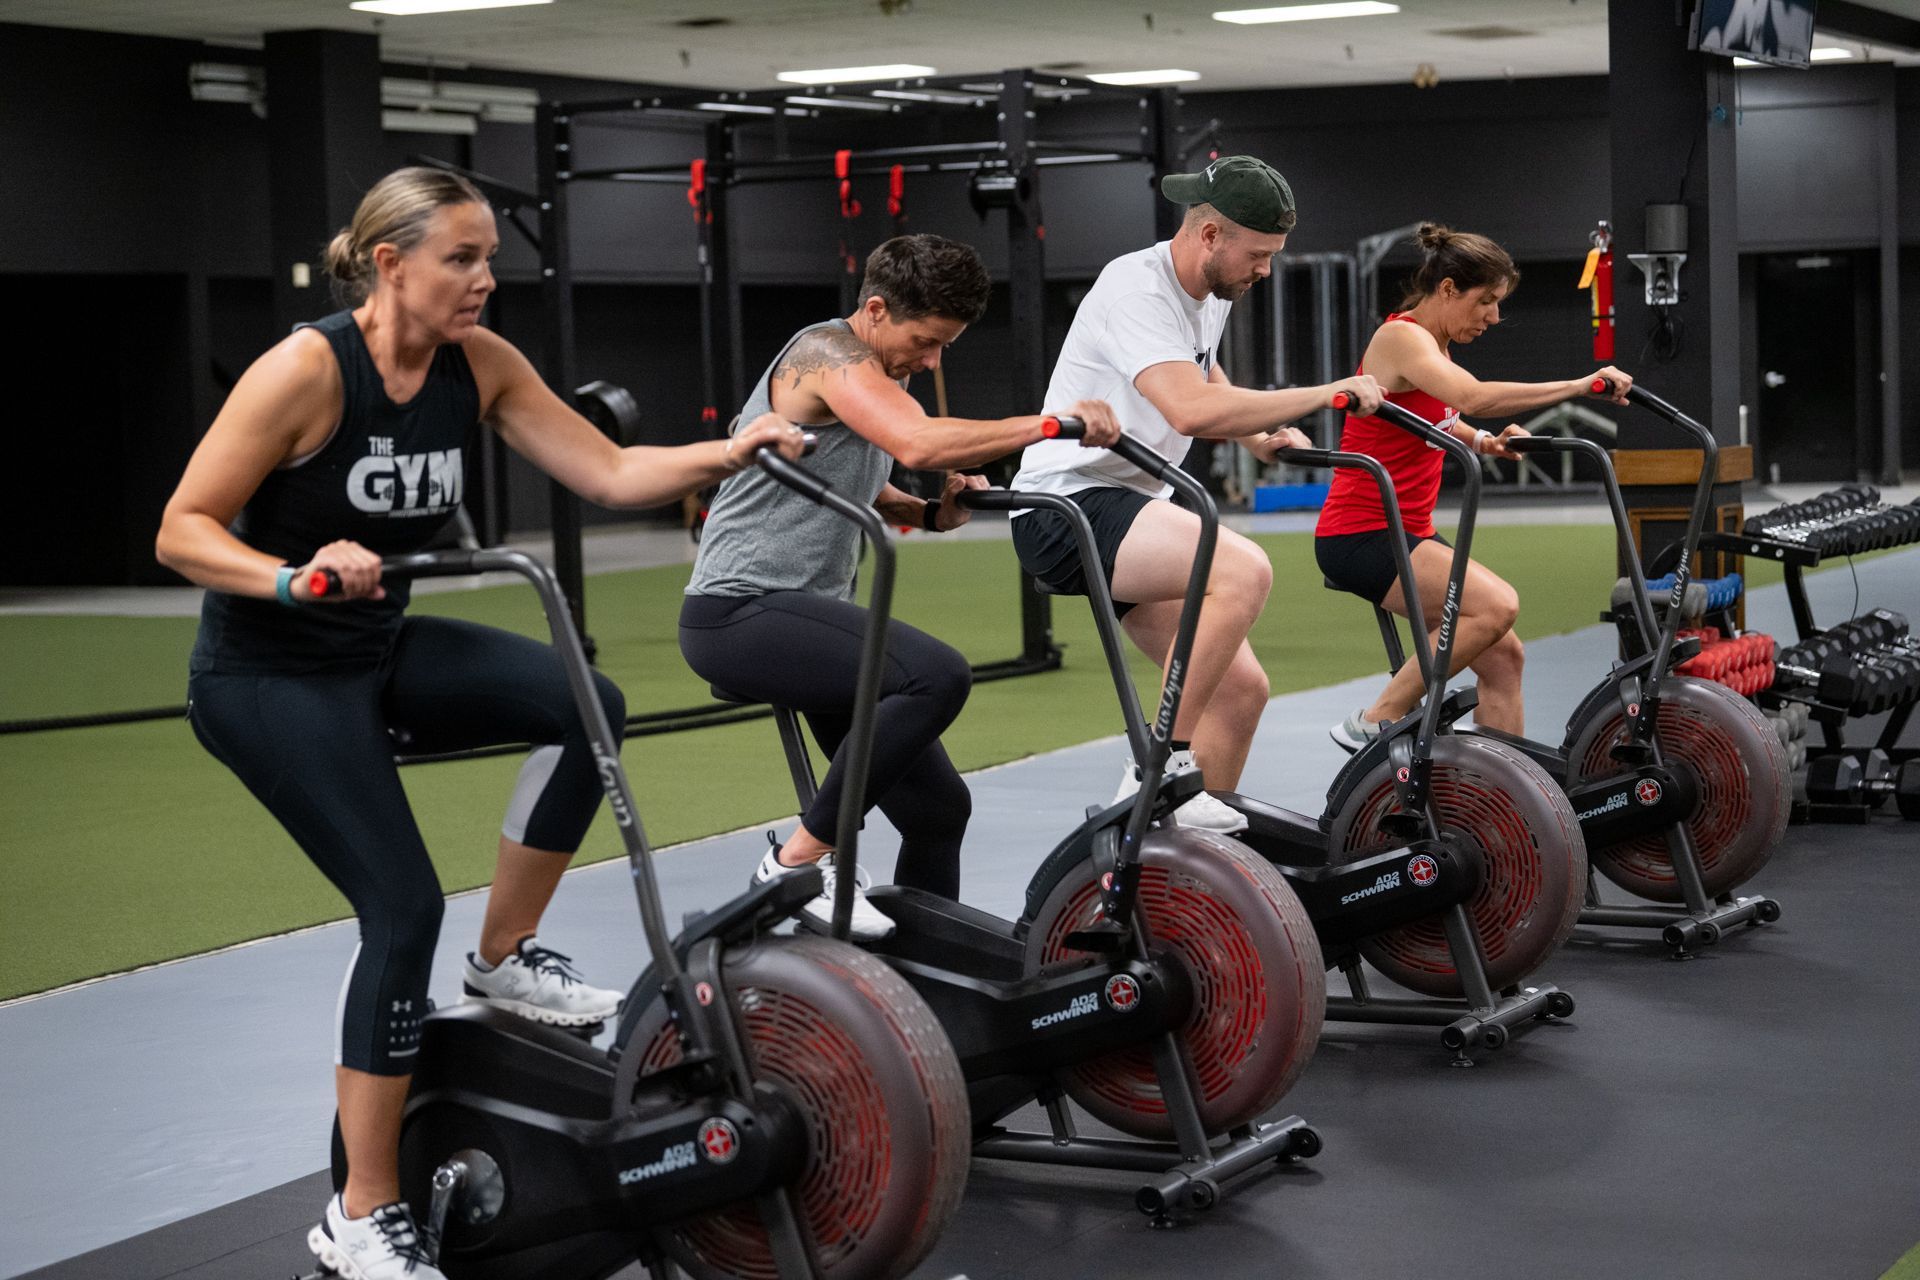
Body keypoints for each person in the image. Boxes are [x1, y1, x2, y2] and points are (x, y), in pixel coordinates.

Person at [154, 166, 807, 1280]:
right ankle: (360, 1208)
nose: (483, 280)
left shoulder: (481, 365)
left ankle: (502, 958)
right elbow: (181, 529)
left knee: (585, 701)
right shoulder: (308, 370)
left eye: (489, 258)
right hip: (268, 671)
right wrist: (291, 573)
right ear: (388, 262)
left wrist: (726, 450)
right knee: (400, 907)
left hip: (376, 650)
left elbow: (603, 468)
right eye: (461, 258)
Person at [679, 233, 1120, 940]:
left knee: (938, 812)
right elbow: (916, 445)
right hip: (737, 613)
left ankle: (921, 969)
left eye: (947, 344)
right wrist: (1054, 425)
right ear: (876, 309)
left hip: (803, 617)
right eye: (928, 340)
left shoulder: (878, 371)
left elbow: (855, 474)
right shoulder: (827, 356)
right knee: (935, 676)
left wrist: (928, 513)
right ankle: (795, 863)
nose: (934, 359)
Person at [1009, 155, 1384, 832]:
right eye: (1260, 255)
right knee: (1242, 570)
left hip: (1127, 512)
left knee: (1241, 693)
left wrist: (1260, 434)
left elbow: (1205, 376)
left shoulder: (1207, 295)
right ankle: (1158, 770)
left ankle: (1180, 869)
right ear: (1210, 235)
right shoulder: (1136, 290)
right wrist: (1328, 394)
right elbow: (1187, 411)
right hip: (1064, 509)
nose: (1266, 271)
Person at [1316, 222, 1632, 751]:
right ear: (1447, 290)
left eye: (1498, 303)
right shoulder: (1401, 338)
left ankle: (1501, 790)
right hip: (1362, 532)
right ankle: (1375, 720)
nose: (1493, 316)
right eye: (1485, 301)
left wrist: (1484, 442)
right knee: (1496, 607)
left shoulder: (1434, 345)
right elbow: (1474, 395)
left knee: (1506, 656)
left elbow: (1441, 416)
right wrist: (1581, 386)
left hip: (1407, 531)